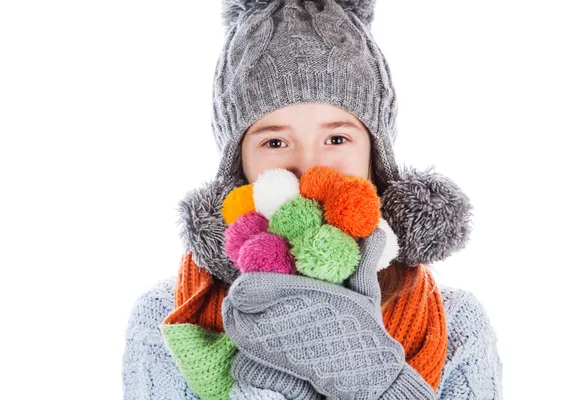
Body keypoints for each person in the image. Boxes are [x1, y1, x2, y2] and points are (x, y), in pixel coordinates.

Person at [122, 0, 503, 399]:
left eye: (336, 138)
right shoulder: (165, 318)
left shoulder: (457, 324)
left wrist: (368, 373)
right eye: (274, 141)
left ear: (375, 155)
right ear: (238, 164)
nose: (308, 167)